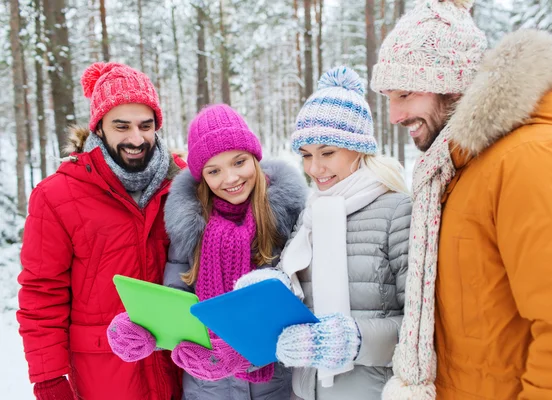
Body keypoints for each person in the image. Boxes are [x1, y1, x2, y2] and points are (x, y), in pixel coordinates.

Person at [371, 1, 552, 398]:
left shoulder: (530, 160)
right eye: (389, 97)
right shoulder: (459, 173)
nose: (393, 114)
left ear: (454, 82)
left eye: (405, 93)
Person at [107, 104, 308, 400]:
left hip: (273, 387)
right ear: (202, 177)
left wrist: (243, 350)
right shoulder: (190, 227)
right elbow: (176, 305)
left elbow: (302, 309)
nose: (230, 179)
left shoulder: (288, 217)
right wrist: (140, 327)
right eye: (214, 171)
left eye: (238, 162)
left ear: (255, 158)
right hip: (206, 387)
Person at [237, 66, 413, 400]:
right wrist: (272, 288)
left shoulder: (398, 210)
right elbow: (304, 299)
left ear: (359, 148)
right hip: (305, 392)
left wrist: (353, 339)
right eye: (306, 156)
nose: (314, 169)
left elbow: (421, 326)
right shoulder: (312, 212)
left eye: (327, 153)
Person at [17, 62, 185, 400]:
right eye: (121, 126)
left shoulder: (182, 183)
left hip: (179, 365)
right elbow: (41, 291)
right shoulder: (57, 195)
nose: (135, 138)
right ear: (99, 128)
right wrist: (48, 377)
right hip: (104, 372)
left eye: (145, 125)